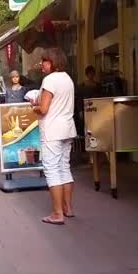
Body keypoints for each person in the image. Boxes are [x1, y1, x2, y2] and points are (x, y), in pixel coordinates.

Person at [33, 48, 77, 225]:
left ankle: (57, 214)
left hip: (52, 130)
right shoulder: (68, 79)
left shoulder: (50, 80)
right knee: (64, 168)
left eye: (44, 61)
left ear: (52, 62)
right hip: (68, 129)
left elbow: (43, 109)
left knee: (51, 170)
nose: (41, 64)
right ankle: (68, 208)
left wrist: (33, 106)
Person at [75, 66, 102, 135]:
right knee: (86, 126)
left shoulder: (98, 86)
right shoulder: (81, 86)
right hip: (85, 109)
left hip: (96, 109)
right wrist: (80, 110)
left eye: (93, 74)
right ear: (87, 74)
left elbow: (101, 98)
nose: (91, 76)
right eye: (90, 74)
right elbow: (79, 99)